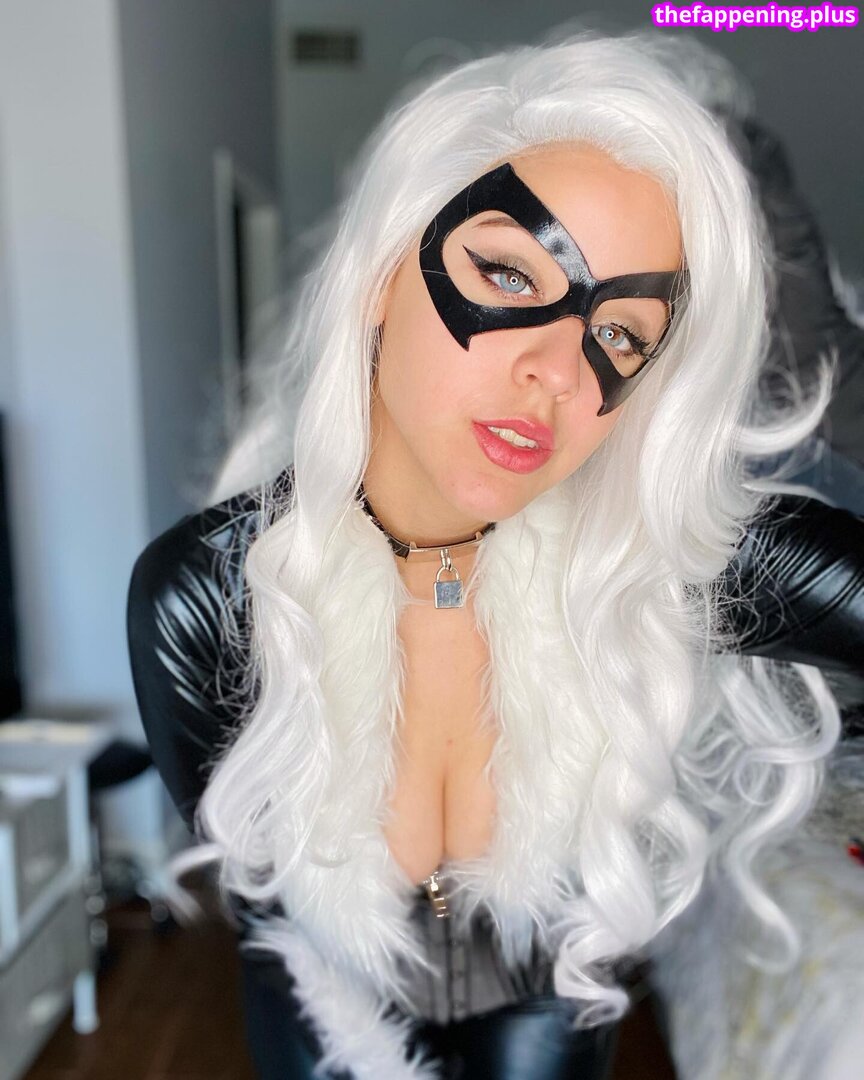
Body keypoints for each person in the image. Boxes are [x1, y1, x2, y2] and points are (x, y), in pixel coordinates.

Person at [126, 30, 864, 1080]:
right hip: (324, 993)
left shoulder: (656, 561)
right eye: (512, 275)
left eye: (621, 335)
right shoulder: (207, 593)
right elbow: (253, 869)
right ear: (383, 276)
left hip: (550, 995)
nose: (559, 369)